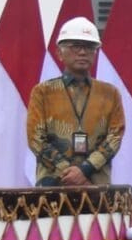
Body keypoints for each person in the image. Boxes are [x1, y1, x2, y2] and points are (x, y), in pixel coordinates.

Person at [26, 17, 125, 187]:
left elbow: (115, 136)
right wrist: (69, 172)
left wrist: (85, 170)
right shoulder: (42, 92)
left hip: (95, 184)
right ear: (59, 53)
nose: (82, 52)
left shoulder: (110, 93)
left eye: (89, 47)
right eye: (75, 46)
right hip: (52, 184)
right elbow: (36, 138)